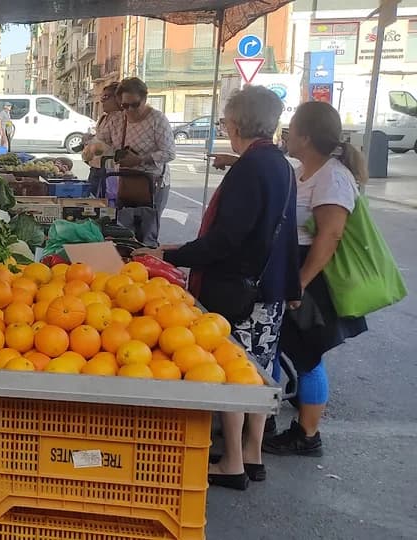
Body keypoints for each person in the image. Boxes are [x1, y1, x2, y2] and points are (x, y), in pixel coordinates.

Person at [135, 85, 300, 490]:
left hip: (241, 289)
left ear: (237, 122)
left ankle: (232, 464)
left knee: (232, 369)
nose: (224, 125)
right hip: (268, 288)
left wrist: (171, 256)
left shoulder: (251, 168)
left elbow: (227, 239)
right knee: (256, 372)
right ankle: (252, 454)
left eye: (226, 119)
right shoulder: (278, 163)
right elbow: (285, 233)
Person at [262, 101, 368, 457]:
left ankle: (308, 434)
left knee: (309, 356)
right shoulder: (305, 170)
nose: (287, 134)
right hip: (296, 268)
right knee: (279, 346)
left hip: (313, 274)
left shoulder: (332, 177)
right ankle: (271, 420)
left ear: (306, 136)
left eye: (292, 128)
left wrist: (301, 283)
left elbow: (330, 235)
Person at [96, 77, 176, 246]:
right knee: (123, 234)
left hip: (151, 185)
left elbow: (169, 153)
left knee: (147, 235)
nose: (130, 110)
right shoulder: (118, 119)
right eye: (125, 105)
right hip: (125, 183)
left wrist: (140, 159)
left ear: (145, 99)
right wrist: (95, 150)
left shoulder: (157, 119)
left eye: (135, 105)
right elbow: (101, 142)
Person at [83, 82, 120, 197]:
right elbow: (101, 138)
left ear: (118, 98)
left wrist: (95, 145)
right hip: (96, 167)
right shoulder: (104, 117)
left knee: (103, 203)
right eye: (102, 97)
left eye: (106, 97)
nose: (102, 100)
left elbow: (116, 144)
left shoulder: (120, 118)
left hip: (108, 170)